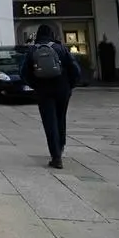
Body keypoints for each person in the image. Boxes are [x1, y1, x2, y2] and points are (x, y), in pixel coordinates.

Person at [19, 23, 81, 169]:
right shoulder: (60, 48)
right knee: (61, 118)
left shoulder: (33, 50)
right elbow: (75, 69)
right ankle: (61, 146)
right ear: (52, 34)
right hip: (62, 89)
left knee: (49, 122)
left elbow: (24, 73)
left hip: (43, 91)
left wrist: (35, 85)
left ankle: (56, 156)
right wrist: (70, 85)